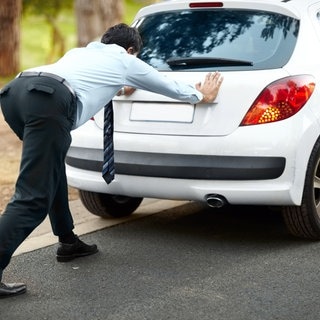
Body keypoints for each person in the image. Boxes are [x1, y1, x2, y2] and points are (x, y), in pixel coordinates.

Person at [0, 23, 223, 298]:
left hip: (16, 94)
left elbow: (86, 81)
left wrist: (120, 87)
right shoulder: (125, 59)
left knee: (51, 168)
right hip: (48, 102)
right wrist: (201, 95)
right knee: (32, 197)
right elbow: (166, 85)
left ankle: (68, 241)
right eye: (135, 56)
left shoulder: (81, 53)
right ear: (131, 50)